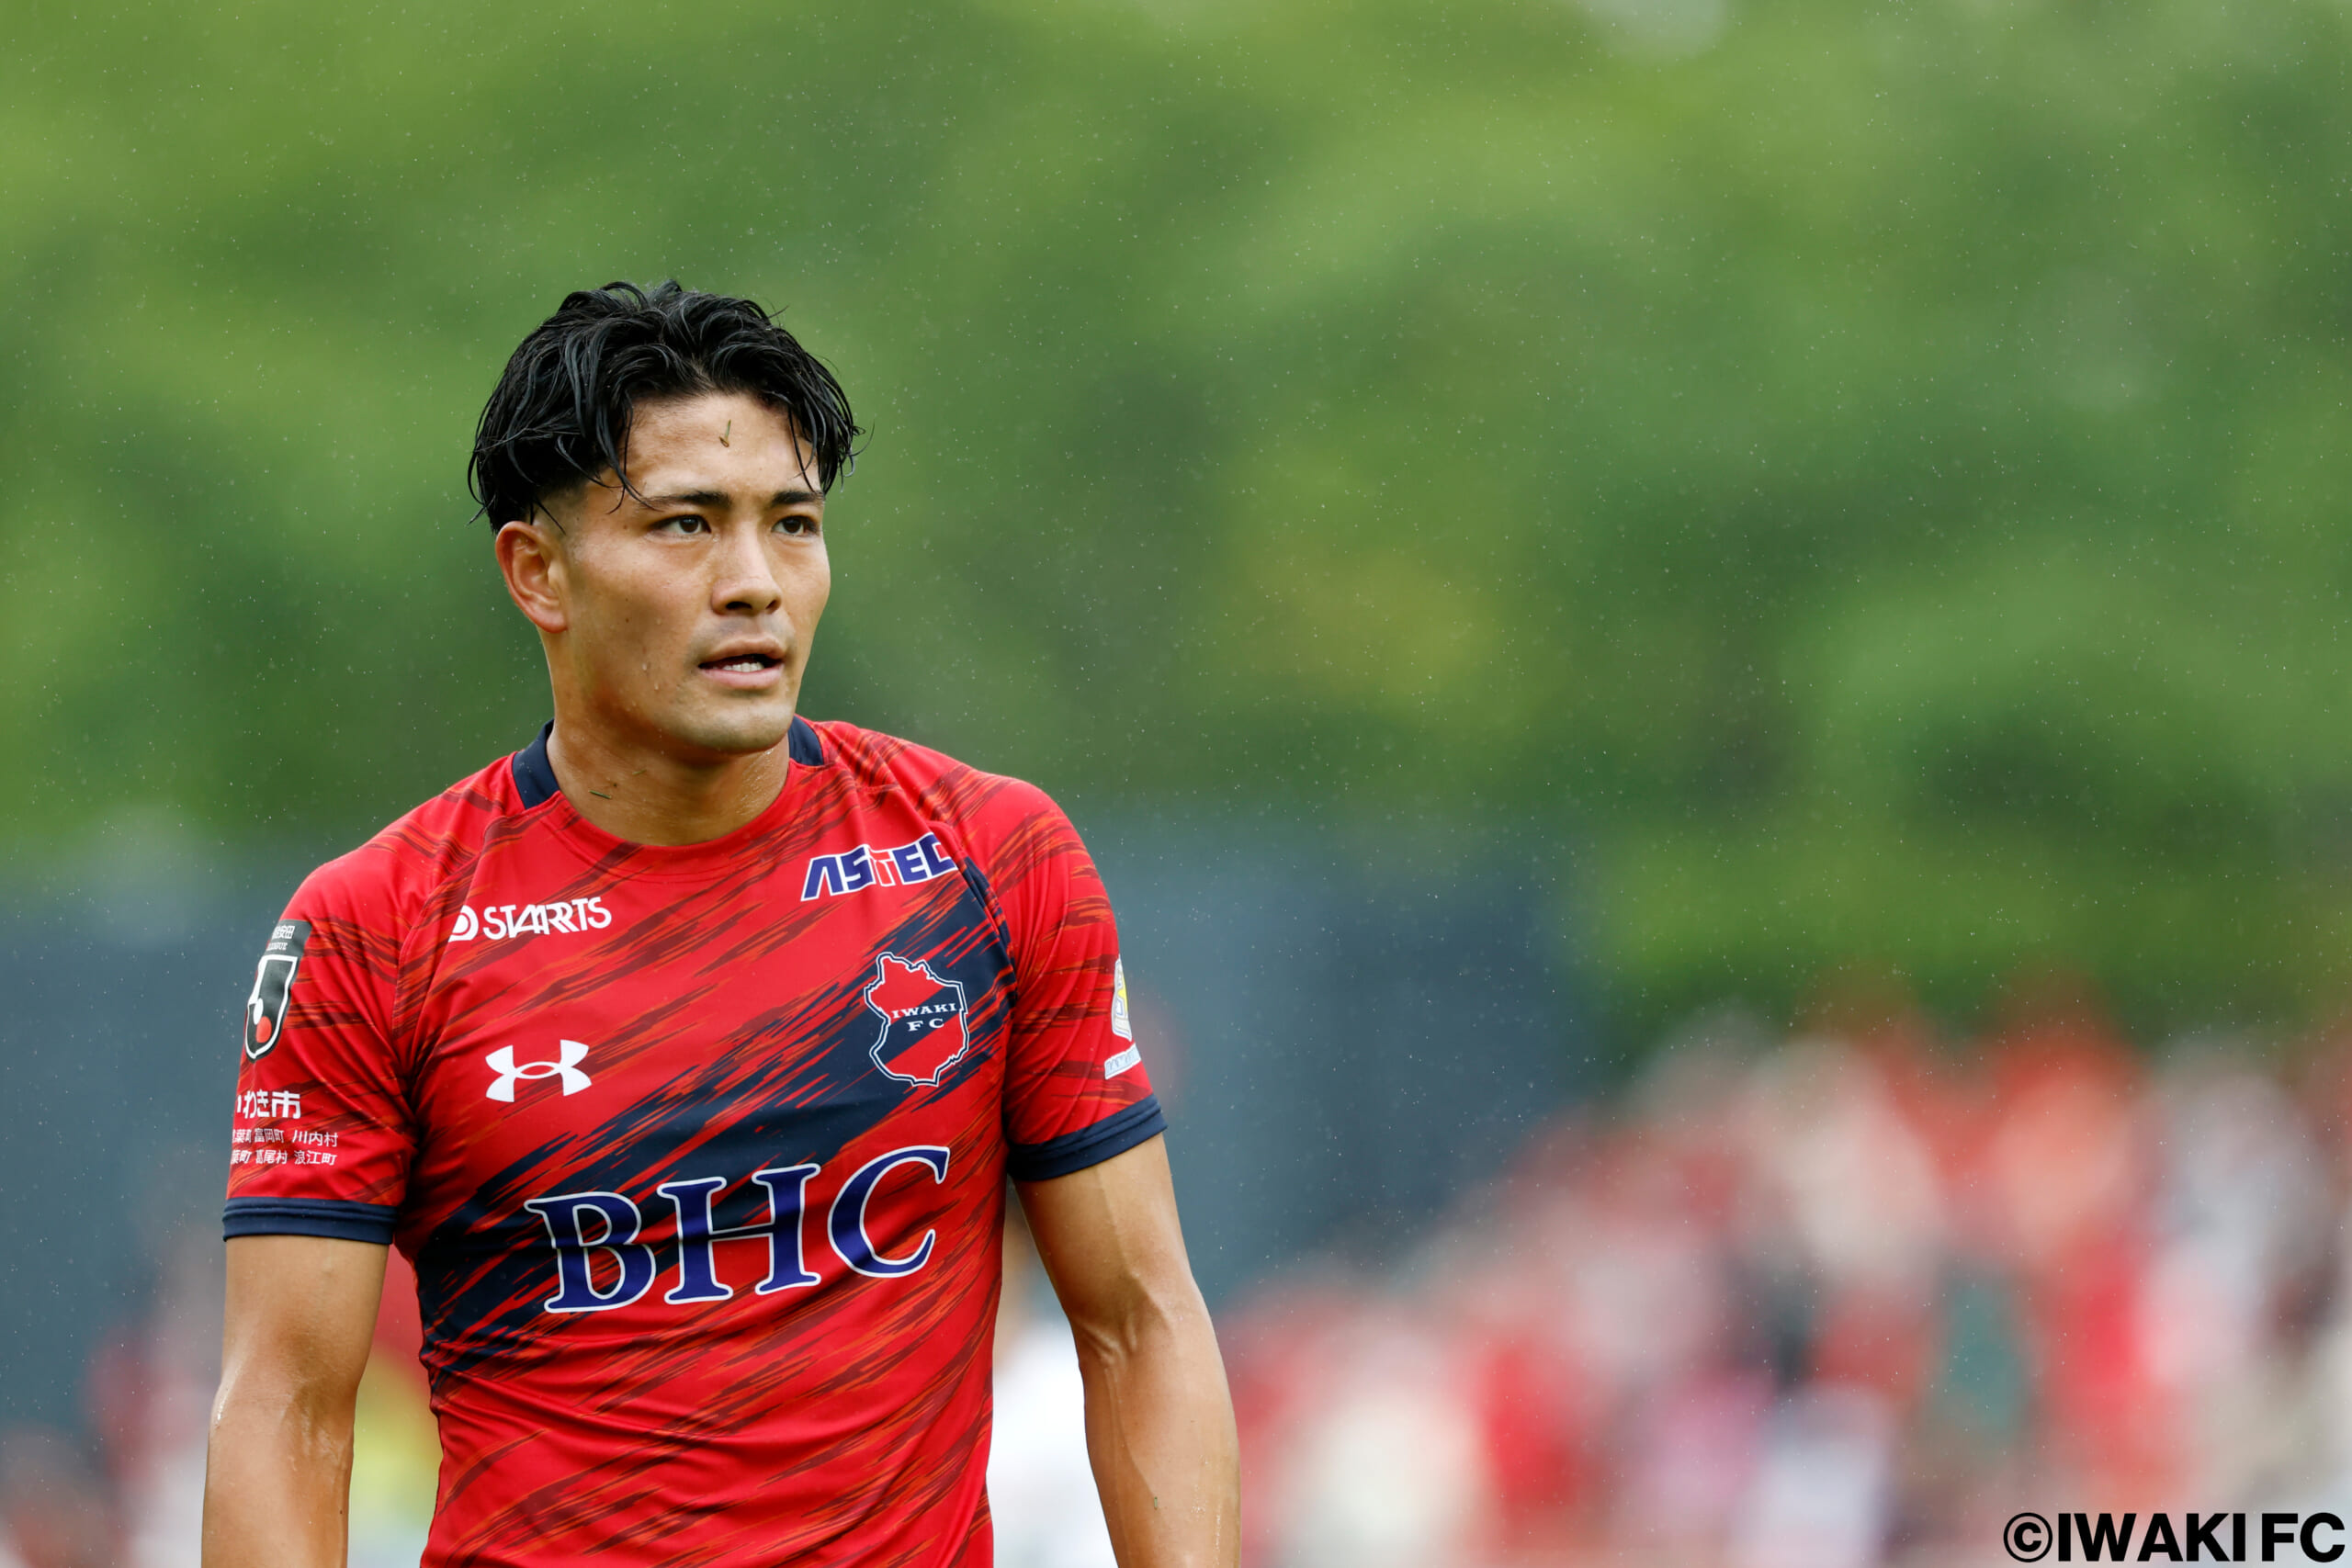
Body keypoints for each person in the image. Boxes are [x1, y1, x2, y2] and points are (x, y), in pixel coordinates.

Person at [200, 281, 1240, 1568]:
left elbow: (1141, 1323)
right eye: (686, 524)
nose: (754, 584)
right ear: (538, 573)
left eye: (791, 524)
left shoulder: (990, 858)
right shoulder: (375, 930)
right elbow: (286, 1410)